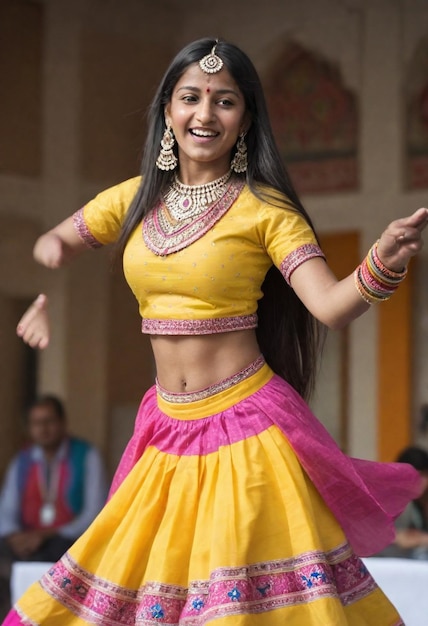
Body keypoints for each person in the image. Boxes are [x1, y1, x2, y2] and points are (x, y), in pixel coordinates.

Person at [3, 37, 427, 625]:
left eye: (225, 101)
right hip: (163, 434)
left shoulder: (265, 210)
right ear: (168, 111)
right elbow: (58, 238)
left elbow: (330, 305)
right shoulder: (135, 198)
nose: (205, 114)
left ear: (246, 118)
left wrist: (386, 259)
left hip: (247, 435)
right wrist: (49, 264)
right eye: (191, 97)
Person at [0, 395, 108, 617]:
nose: (43, 429)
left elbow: (94, 514)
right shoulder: (22, 460)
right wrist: (14, 537)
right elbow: (6, 511)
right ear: (29, 428)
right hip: (27, 540)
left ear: (62, 423)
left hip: (66, 540)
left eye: (49, 421)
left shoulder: (87, 455)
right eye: (36, 423)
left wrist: (45, 534)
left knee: (59, 554)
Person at [380, 446, 428, 560]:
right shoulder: (387, 497)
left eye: (424, 475)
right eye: (413, 475)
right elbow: (365, 533)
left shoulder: (421, 500)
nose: (418, 481)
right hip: (387, 560)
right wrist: (396, 538)